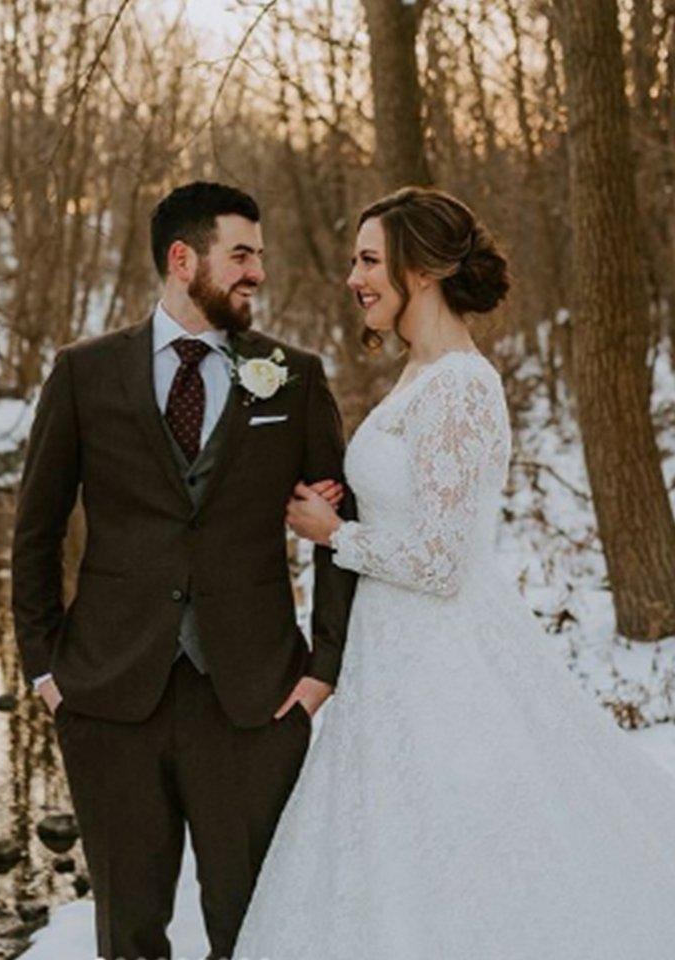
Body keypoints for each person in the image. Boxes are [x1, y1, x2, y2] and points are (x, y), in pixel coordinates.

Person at [233, 185, 675, 959]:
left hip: (443, 661)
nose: (354, 277)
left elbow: (442, 560)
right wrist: (343, 506)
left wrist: (336, 533)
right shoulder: (418, 375)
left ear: (424, 271)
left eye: (370, 260)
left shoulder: (464, 386)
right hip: (389, 659)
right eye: (354, 261)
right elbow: (415, 510)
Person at [11, 181, 357, 960]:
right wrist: (44, 667)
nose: (256, 274)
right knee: (128, 935)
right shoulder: (84, 373)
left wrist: (322, 669)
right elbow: (34, 531)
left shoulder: (292, 377)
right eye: (240, 255)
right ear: (182, 258)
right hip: (107, 698)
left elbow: (338, 528)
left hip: (253, 702)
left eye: (259, 258)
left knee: (254, 932)